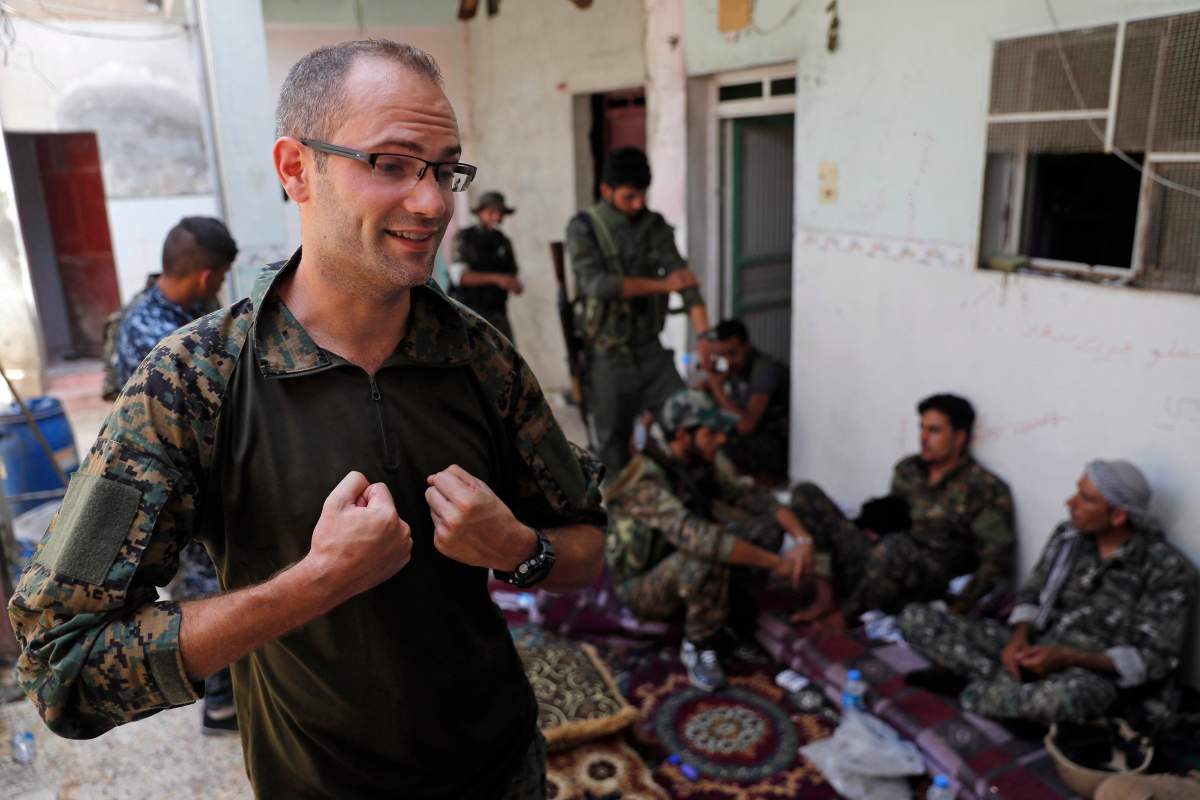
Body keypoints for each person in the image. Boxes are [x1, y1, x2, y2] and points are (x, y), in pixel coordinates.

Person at [9, 39, 606, 800]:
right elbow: (62, 666)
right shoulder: (193, 383)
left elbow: (588, 542)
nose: (432, 203)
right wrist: (315, 583)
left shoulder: (480, 360)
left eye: (445, 168)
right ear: (296, 169)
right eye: (391, 163)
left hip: (501, 768)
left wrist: (520, 548)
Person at [899, 460, 1196, 726]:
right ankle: (1012, 696)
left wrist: (1067, 657)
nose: (1071, 503)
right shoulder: (1068, 538)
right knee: (914, 618)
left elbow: (1152, 659)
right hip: (1039, 648)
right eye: (1077, 492)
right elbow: (1031, 593)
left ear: (1118, 515)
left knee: (1064, 699)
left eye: (1086, 499)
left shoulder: (1167, 570)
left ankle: (974, 691)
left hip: (1090, 674)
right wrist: (1018, 639)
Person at [111, 217, 241, 736]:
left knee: (216, 590)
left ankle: (226, 696)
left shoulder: (178, 311)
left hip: (197, 487)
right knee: (212, 598)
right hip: (177, 495)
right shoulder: (158, 336)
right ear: (208, 275)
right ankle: (223, 705)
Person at [604, 389, 814, 692]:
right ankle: (700, 645)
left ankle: (732, 622)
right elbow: (702, 540)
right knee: (706, 555)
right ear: (683, 435)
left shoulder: (700, 460)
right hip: (642, 586)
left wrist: (802, 539)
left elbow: (755, 497)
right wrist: (777, 563)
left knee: (765, 531)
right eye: (711, 433)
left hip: (679, 560)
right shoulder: (646, 480)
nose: (721, 440)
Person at [788, 393, 1015, 628]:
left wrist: (960, 607)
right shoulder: (909, 469)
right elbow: (890, 518)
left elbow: (996, 558)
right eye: (921, 428)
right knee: (806, 494)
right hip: (882, 563)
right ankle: (824, 596)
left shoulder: (983, 487)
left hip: (925, 581)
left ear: (959, 438)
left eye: (934, 431)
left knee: (895, 547)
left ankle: (844, 618)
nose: (923, 438)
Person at [566, 147, 712, 479]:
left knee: (690, 426)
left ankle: (689, 509)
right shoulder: (584, 227)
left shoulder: (654, 225)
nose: (638, 204)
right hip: (607, 356)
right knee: (612, 452)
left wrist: (704, 335)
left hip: (651, 353)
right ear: (606, 190)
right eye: (630, 196)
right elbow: (597, 285)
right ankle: (621, 526)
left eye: (642, 195)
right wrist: (663, 286)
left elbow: (684, 280)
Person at [111, 217, 236, 389]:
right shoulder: (148, 330)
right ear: (205, 279)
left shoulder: (198, 304)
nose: (221, 283)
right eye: (222, 276)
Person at [701, 319, 790, 482]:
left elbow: (746, 425)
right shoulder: (734, 369)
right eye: (721, 355)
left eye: (732, 353)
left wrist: (718, 389)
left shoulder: (763, 369)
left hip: (778, 446)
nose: (728, 360)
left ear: (747, 346)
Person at [447, 190, 523, 342]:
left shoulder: (503, 242)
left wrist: (513, 284)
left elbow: (512, 276)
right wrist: (497, 279)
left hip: (496, 314)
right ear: (480, 212)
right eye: (492, 211)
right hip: (467, 312)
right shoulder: (465, 237)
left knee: (507, 362)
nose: (497, 217)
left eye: (500, 212)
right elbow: (460, 277)